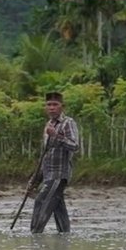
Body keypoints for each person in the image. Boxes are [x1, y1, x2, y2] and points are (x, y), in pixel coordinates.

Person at [27, 92, 79, 233]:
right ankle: (64, 237)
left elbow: (75, 146)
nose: (51, 108)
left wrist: (56, 136)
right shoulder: (48, 125)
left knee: (41, 201)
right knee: (58, 208)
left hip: (59, 174)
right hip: (49, 174)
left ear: (62, 106)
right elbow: (46, 154)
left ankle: (35, 235)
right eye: (49, 105)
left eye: (55, 104)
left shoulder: (68, 123)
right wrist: (36, 179)